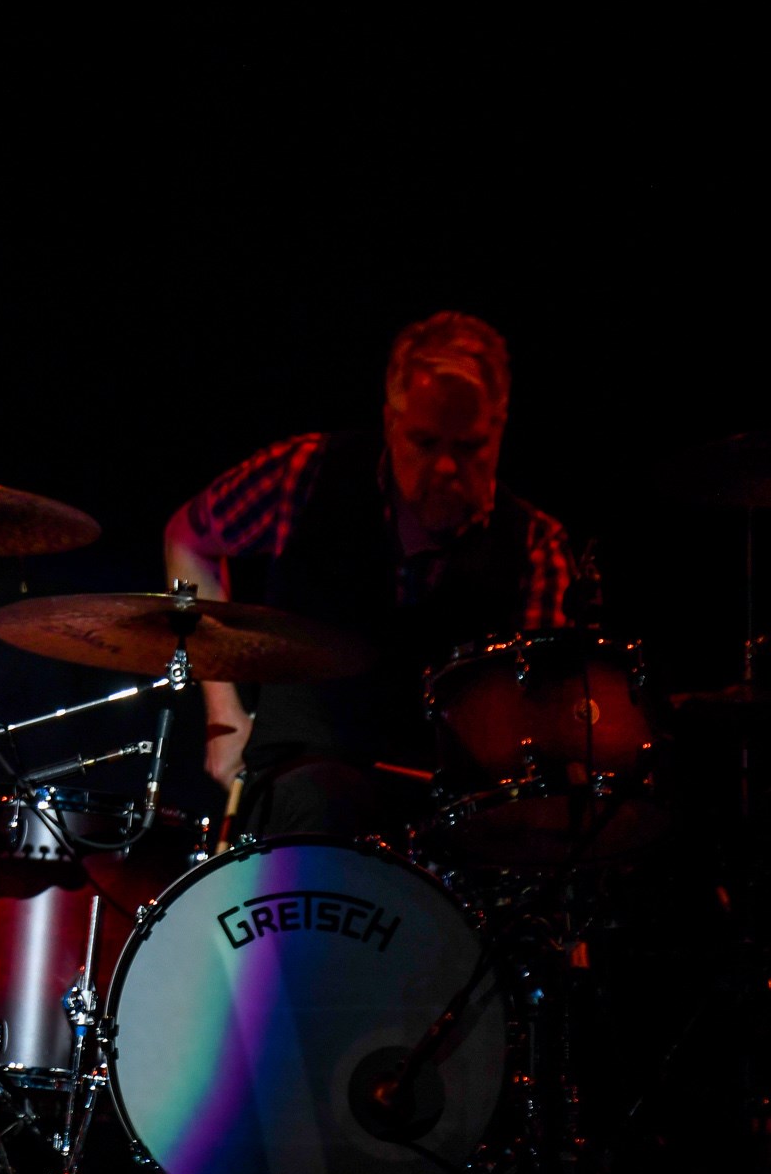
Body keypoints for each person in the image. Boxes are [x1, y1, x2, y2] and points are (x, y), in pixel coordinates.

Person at [163, 311, 572, 841]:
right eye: (425, 443)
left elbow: (539, 723)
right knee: (325, 803)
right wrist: (223, 715)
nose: (446, 468)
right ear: (391, 421)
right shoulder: (305, 472)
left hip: (448, 817)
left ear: (500, 425)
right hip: (302, 784)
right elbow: (187, 539)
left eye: (468, 447)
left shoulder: (537, 546)